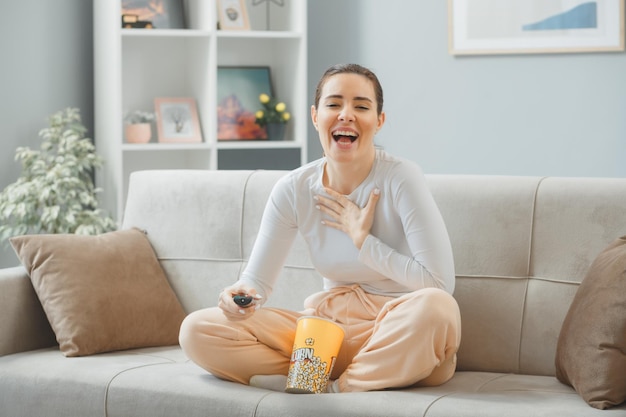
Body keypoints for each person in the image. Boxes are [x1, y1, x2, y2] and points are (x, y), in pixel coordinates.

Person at [179, 63, 462, 393]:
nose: (346, 115)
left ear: (379, 121)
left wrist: (364, 243)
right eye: (333, 104)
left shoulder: (401, 177)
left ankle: (331, 389)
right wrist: (237, 297)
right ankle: (315, 375)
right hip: (325, 336)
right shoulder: (294, 188)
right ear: (315, 116)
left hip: (396, 335)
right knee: (198, 329)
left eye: (361, 106)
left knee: (437, 309)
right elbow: (255, 283)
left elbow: (440, 285)